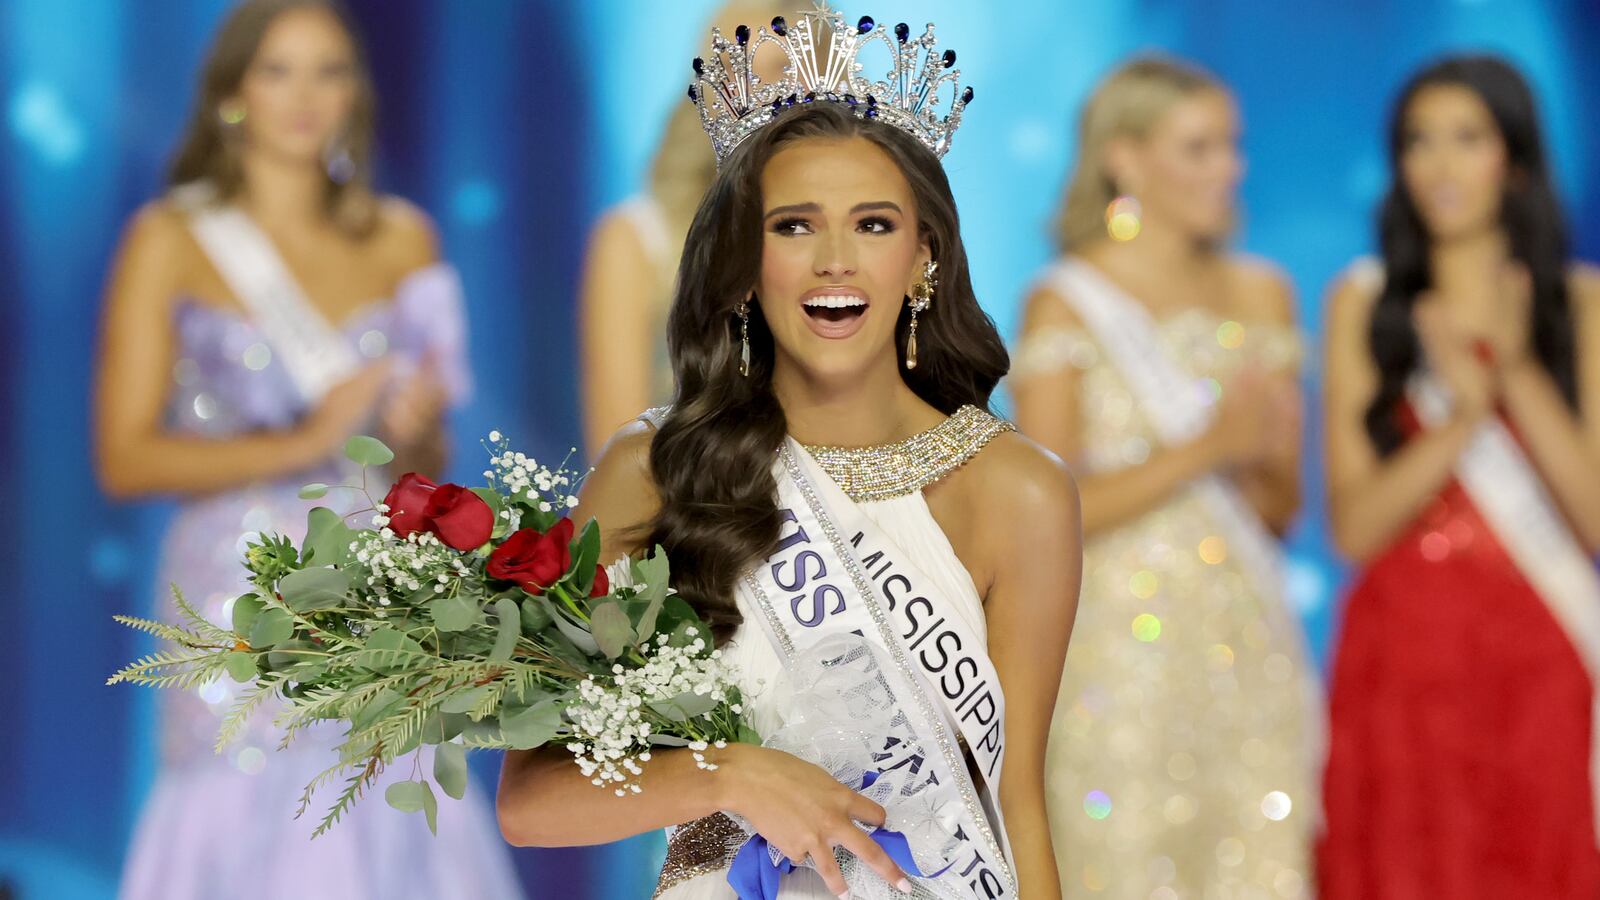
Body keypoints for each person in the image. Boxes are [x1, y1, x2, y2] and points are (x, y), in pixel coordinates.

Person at [498, 8, 1081, 898]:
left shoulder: (1019, 491)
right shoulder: (653, 470)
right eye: (794, 227)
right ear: (741, 264)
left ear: (923, 259)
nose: (835, 262)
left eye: (875, 226)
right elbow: (530, 802)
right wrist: (731, 775)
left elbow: (1018, 805)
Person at [94, 2, 521, 897]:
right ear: (234, 91)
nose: (304, 95)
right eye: (278, 70)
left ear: (355, 93)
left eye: (329, 70)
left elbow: (430, 471)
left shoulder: (405, 237)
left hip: (376, 582)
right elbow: (124, 459)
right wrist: (307, 438)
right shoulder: (170, 239)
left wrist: (414, 424)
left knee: (384, 809)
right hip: (232, 592)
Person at [1011, 57, 1319, 898]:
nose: (1231, 167)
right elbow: (1050, 511)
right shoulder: (1066, 300)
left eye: (1232, 145)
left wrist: (1258, 455)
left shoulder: (1264, 294)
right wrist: (1211, 444)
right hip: (1115, 661)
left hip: (1247, 646)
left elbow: (1284, 513)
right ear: (1125, 157)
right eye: (1199, 147)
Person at [1319, 55, 1600, 899]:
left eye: (1467, 138)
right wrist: (1462, 419)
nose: (1439, 165)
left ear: (1512, 157)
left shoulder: (1580, 302)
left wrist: (1513, 372)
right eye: (1419, 141)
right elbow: (1356, 528)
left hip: (1541, 657)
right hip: (1403, 661)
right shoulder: (1364, 302)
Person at [577, 1, 784, 456]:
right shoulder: (636, 240)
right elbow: (615, 448)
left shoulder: (848, 250)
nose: (753, 97)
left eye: (777, 73)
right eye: (732, 69)